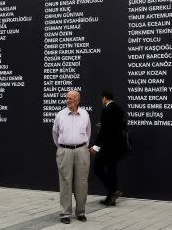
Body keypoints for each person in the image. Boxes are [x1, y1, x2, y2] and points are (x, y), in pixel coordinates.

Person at [52, 90, 91, 224]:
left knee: (82, 182)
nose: (68, 100)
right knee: (65, 182)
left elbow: (88, 132)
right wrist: (63, 148)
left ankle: (80, 212)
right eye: (67, 98)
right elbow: (55, 134)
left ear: (78, 100)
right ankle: (65, 213)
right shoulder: (60, 115)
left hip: (81, 150)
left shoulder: (85, 114)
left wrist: (82, 147)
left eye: (71, 98)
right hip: (65, 151)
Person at [89, 91, 126, 206]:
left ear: (104, 98)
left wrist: (96, 147)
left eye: (102, 99)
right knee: (112, 171)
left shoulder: (106, 109)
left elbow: (104, 131)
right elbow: (120, 126)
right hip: (118, 146)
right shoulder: (118, 109)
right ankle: (111, 199)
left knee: (97, 168)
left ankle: (113, 191)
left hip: (107, 146)